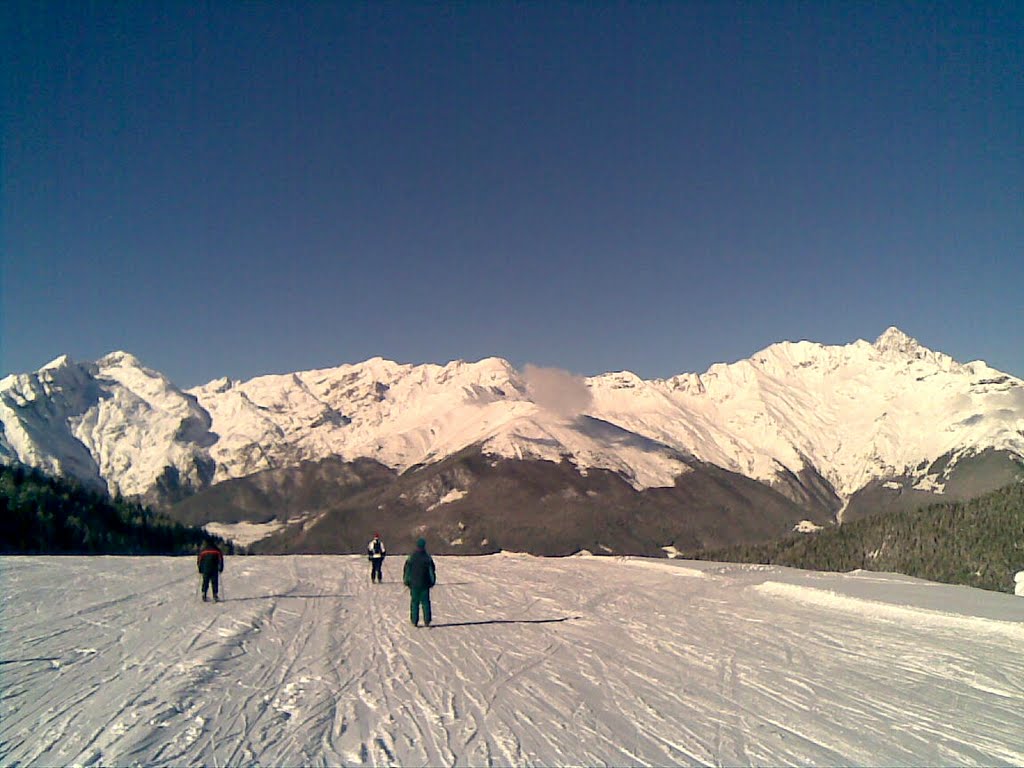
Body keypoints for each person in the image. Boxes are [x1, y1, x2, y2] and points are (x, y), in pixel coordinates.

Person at [403, 537, 436, 627]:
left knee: (414, 602)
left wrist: (406, 581)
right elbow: (431, 571)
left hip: (414, 584)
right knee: (425, 602)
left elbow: (407, 570)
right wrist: (432, 581)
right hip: (425, 584)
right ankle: (427, 620)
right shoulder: (427, 558)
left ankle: (414, 620)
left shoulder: (411, 557)